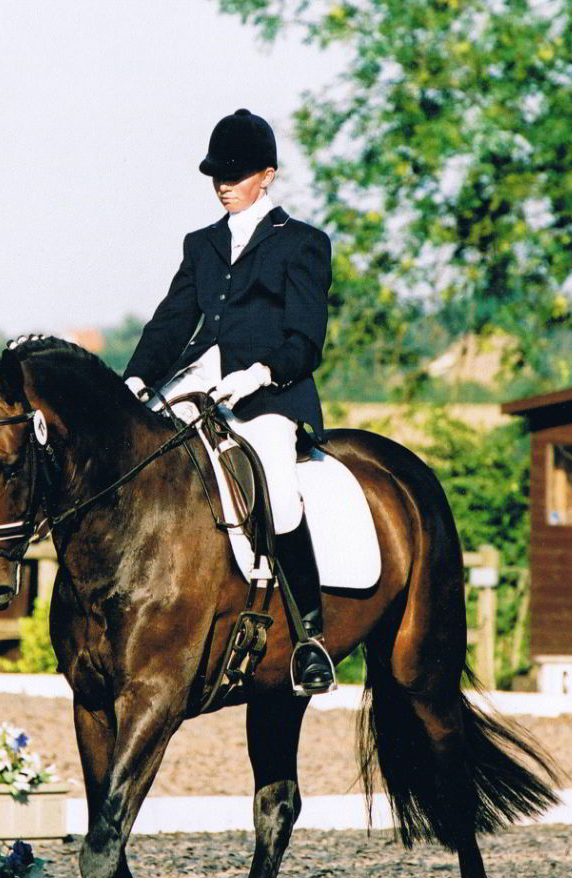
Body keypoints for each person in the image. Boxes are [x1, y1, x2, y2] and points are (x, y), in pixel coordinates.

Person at [123, 108, 334, 695]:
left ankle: (310, 638)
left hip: (273, 395)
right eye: (217, 174)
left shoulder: (303, 244)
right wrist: (136, 380)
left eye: (235, 175)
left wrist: (262, 372)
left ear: (266, 175)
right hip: (199, 383)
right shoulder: (202, 244)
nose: (223, 184)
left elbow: (305, 340)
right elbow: (170, 324)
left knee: (277, 486)